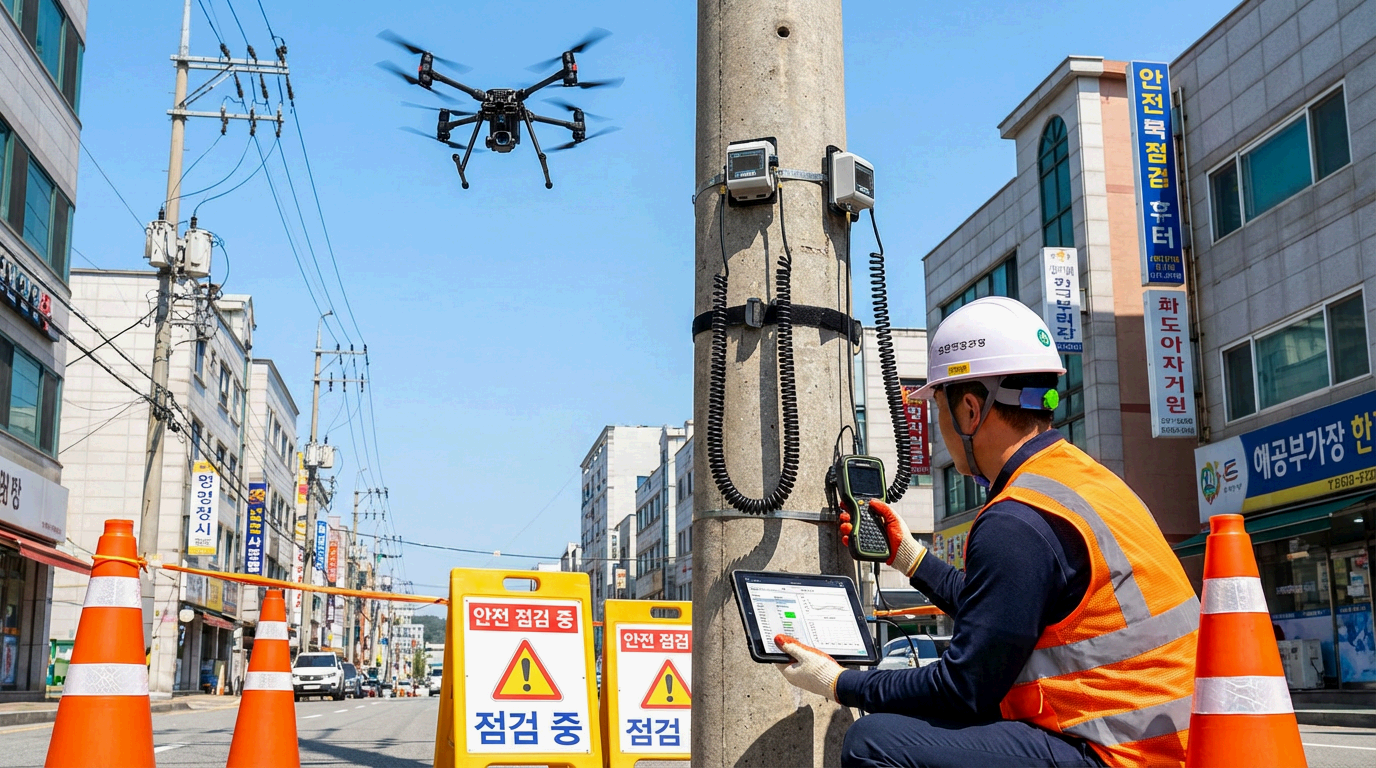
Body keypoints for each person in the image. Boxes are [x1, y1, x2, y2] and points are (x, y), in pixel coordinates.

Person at [774, 296, 1200, 768]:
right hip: (1168, 744)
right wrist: (910, 558)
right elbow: (1002, 614)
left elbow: (963, 689)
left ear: (971, 410)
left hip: (1116, 754)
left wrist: (838, 682)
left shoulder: (1016, 519)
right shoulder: (1081, 481)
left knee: (873, 741)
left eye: (939, 410)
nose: (939, 432)